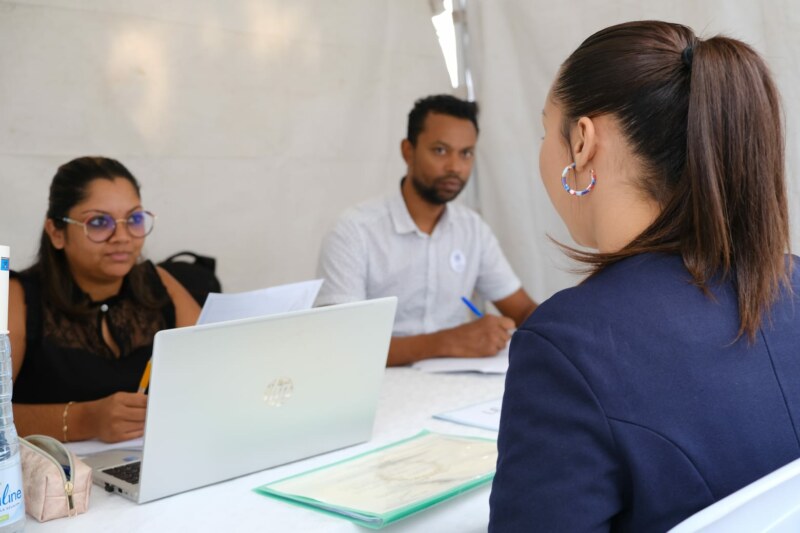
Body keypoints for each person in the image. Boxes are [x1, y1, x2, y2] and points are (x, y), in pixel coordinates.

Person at [489, 20, 800, 532]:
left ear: (582, 142)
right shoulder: (789, 283)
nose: (543, 150)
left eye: (547, 131)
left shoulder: (569, 343)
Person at [316, 94, 537, 366]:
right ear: (408, 151)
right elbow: (341, 344)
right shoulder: (354, 231)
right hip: (379, 391)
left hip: (460, 389)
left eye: (466, 153)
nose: (455, 167)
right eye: (440, 151)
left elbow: (523, 310)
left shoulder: (472, 230)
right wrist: (449, 341)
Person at [8, 157, 200, 443]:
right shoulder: (18, 297)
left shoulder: (160, 284)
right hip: (54, 478)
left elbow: (215, 373)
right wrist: (86, 420)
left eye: (134, 219)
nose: (122, 237)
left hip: (143, 466)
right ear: (57, 232)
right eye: (99, 222)